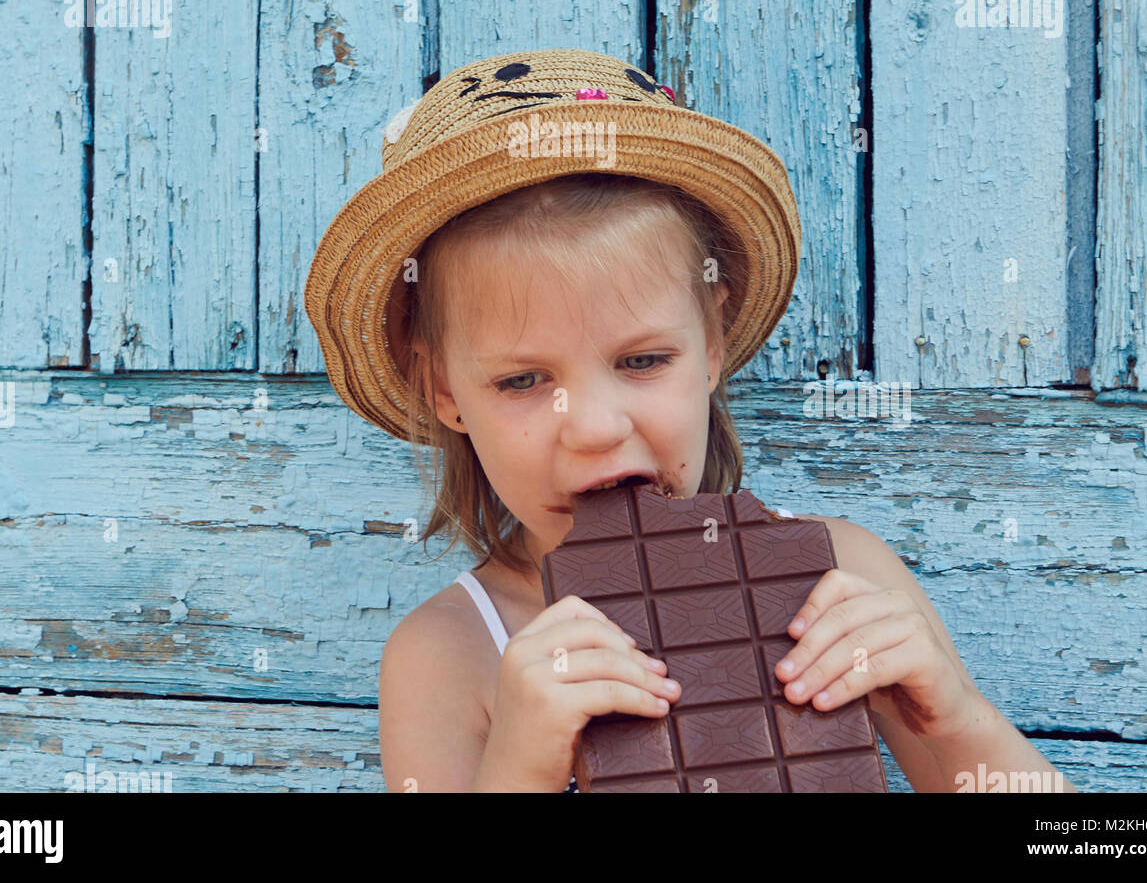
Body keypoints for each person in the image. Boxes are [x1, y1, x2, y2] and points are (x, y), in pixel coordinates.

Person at [304, 48, 1074, 793]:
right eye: (522, 379)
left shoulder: (841, 578)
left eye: (642, 362)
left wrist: (956, 724)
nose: (595, 426)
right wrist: (523, 765)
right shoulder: (447, 654)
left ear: (712, 345)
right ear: (445, 393)